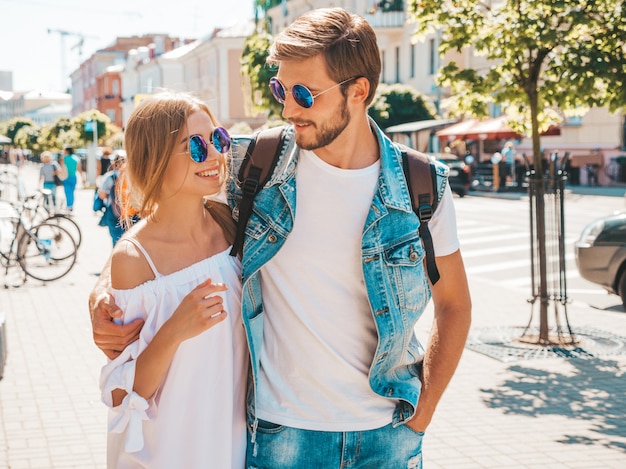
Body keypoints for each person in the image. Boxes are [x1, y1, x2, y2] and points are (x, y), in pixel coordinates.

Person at [89, 8, 471, 468]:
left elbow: (454, 303)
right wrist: (103, 292)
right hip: (282, 436)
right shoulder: (255, 167)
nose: (288, 109)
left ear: (359, 91)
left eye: (304, 94)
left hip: (387, 434)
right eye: (281, 90)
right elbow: (167, 215)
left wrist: (423, 412)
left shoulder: (421, 185)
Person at [98, 92, 247, 468]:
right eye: (195, 147)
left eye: (218, 139)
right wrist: (175, 329)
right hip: (170, 451)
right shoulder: (134, 259)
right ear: (156, 157)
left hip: (234, 443)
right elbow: (126, 394)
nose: (215, 155)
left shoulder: (230, 223)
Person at [97, 151, 135, 246]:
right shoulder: (133, 176)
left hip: (114, 212)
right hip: (131, 212)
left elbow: (102, 195)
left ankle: (118, 257)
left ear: (113, 163)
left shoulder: (110, 177)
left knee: (116, 241)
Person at [60, 146, 83, 212]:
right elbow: (79, 169)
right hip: (74, 177)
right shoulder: (76, 158)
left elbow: (61, 168)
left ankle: (68, 206)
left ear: (67, 151)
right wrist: (82, 178)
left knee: (67, 192)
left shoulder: (63, 158)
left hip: (66, 177)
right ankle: (71, 206)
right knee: (72, 192)